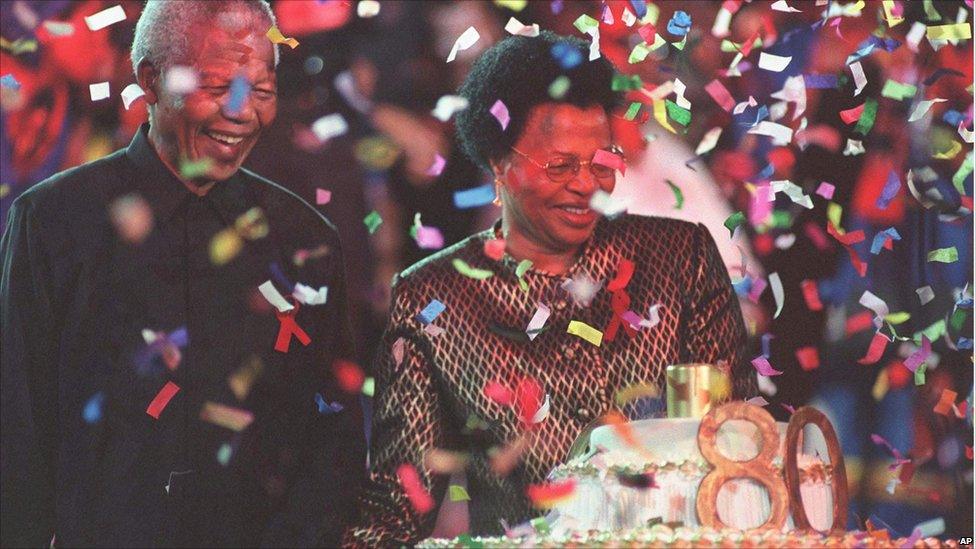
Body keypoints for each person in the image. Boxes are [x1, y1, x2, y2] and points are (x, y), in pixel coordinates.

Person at [345, 31, 757, 546]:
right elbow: (397, 507)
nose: (587, 183)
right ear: (500, 163)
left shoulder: (682, 259)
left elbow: (740, 451)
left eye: (602, 162)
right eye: (560, 165)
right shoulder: (436, 299)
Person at [0, 1, 364, 546]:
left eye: (261, 91)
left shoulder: (304, 241)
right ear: (150, 79)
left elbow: (332, 441)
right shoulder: (53, 223)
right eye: (218, 87)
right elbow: (17, 433)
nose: (242, 112)